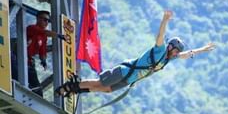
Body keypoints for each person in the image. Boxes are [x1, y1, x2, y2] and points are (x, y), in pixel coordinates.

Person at [55, 10, 215, 97]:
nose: (176, 53)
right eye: (175, 50)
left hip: (129, 80)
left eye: (177, 52)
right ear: (170, 46)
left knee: (106, 89)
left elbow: (187, 54)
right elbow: (159, 36)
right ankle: (70, 86)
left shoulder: (168, 60)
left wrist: (202, 50)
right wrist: (164, 20)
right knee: (100, 83)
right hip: (126, 71)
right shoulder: (160, 50)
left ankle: (76, 89)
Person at [27, 10, 66, 97]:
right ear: (38, 19)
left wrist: (43, 60)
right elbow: (45, 32)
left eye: (48, 21)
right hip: (19, 59)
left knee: (37, 88)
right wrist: (59, 35)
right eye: (44, 19)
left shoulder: (43, 37)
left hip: (29, 62)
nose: (46, 22)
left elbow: (42, 50)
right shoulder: (32, 28)